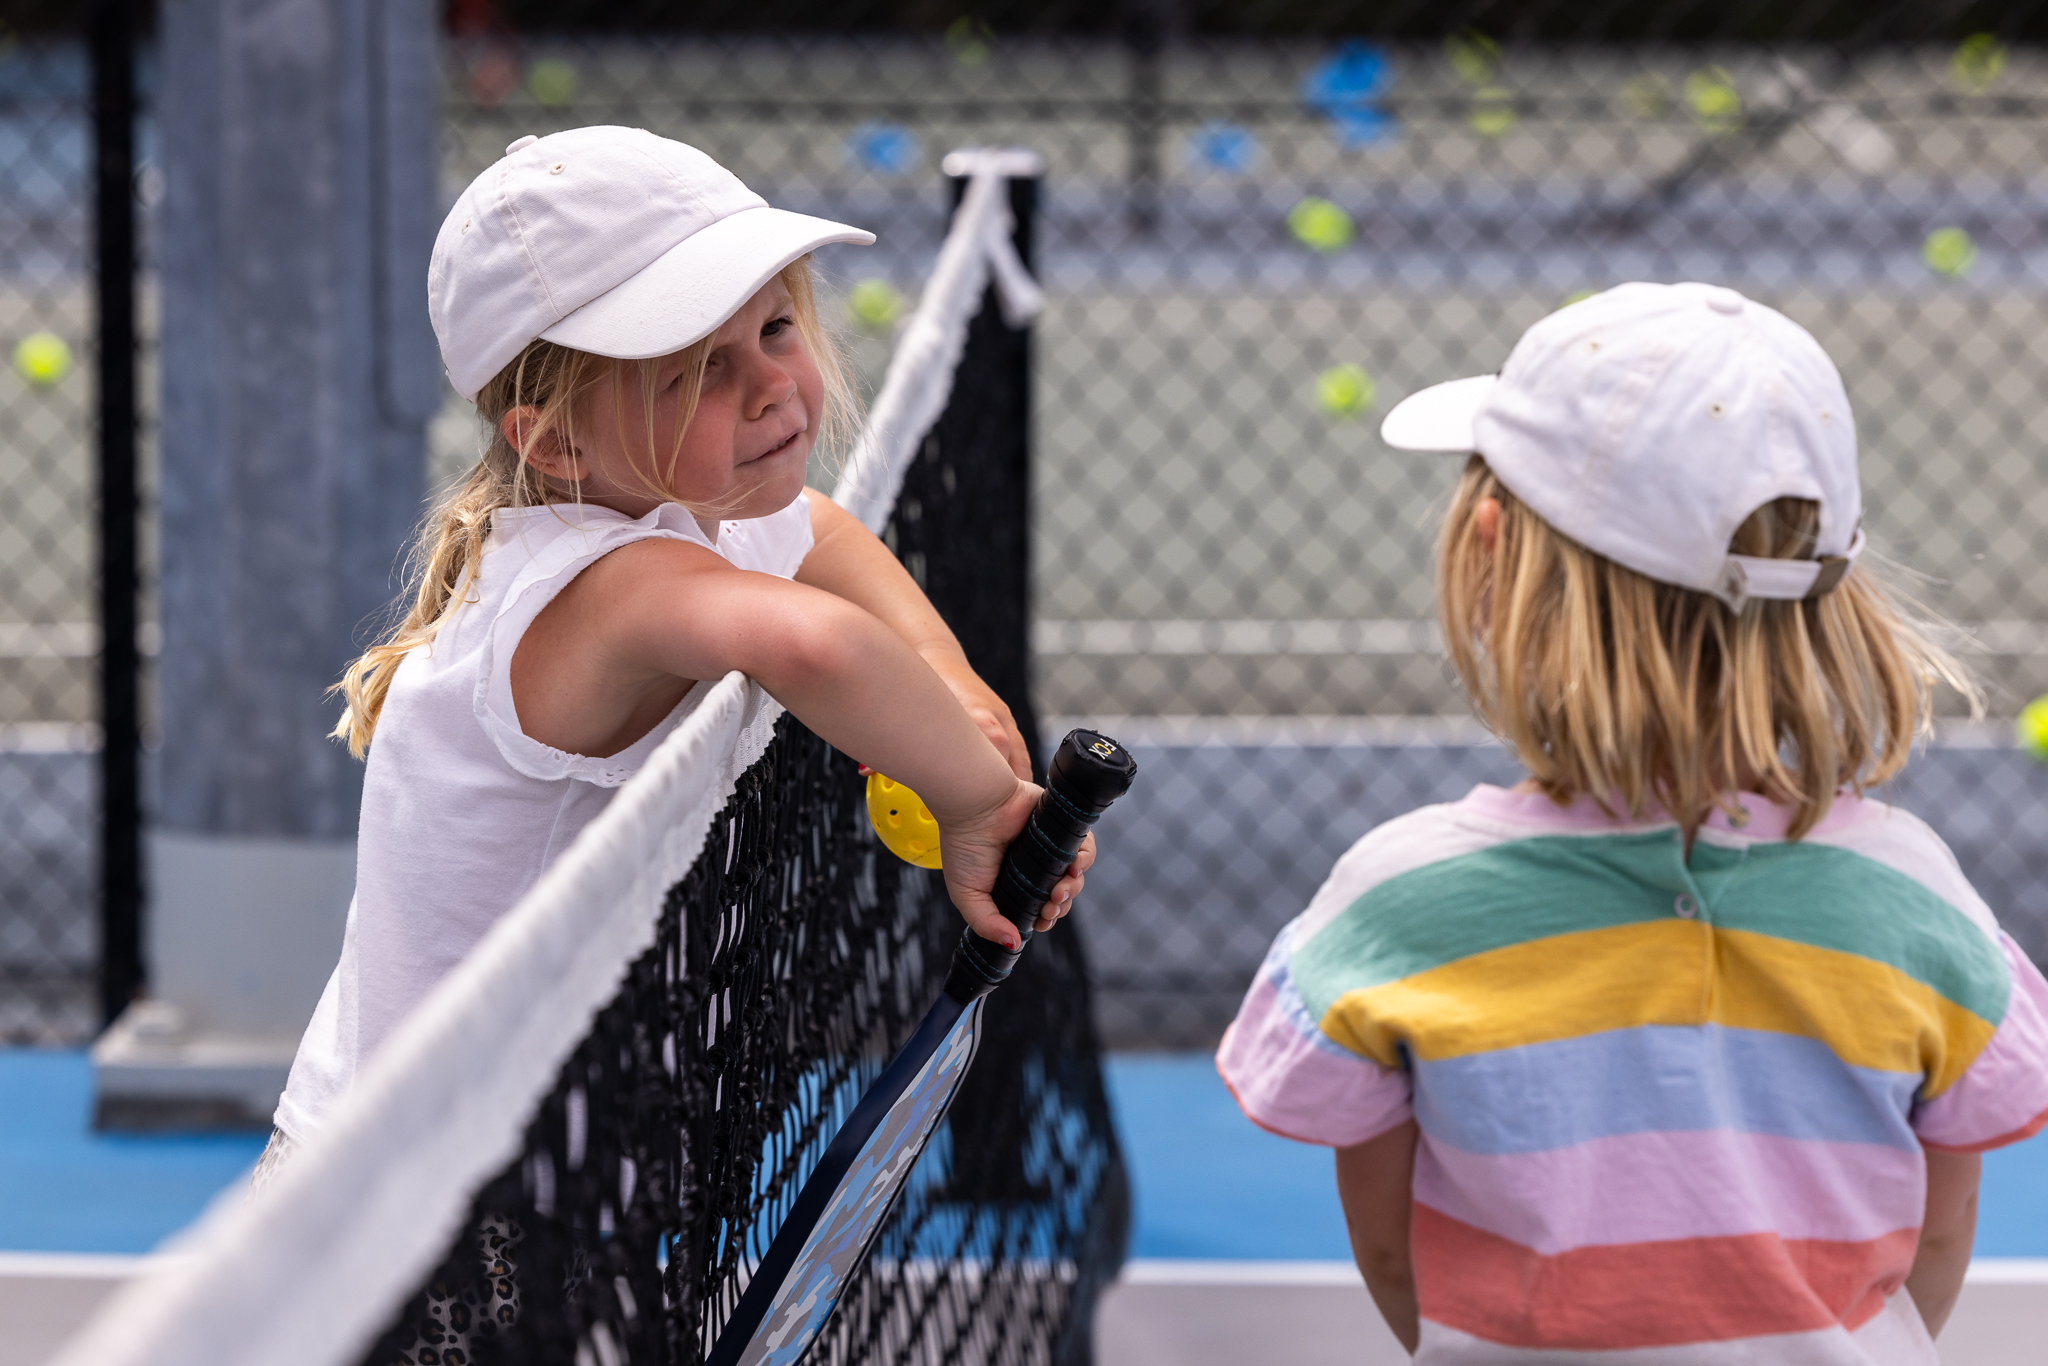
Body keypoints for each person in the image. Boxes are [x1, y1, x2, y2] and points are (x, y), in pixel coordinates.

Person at [1218, 282, 2048, 1363]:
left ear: (1487, 547)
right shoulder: (1913, 892)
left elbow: (1390, 1257)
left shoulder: (1396, 900)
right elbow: (1933, 1240)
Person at [266, 126, 1091, 1162]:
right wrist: (975, 805)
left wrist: (948, 682)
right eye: (700, 368)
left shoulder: (695, 510)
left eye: (777, 328)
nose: (770, 386)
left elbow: (822, 536)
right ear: (555, 438)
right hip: (409, 1190)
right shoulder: (602, 583)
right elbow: (820, 647)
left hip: (523, 1153)